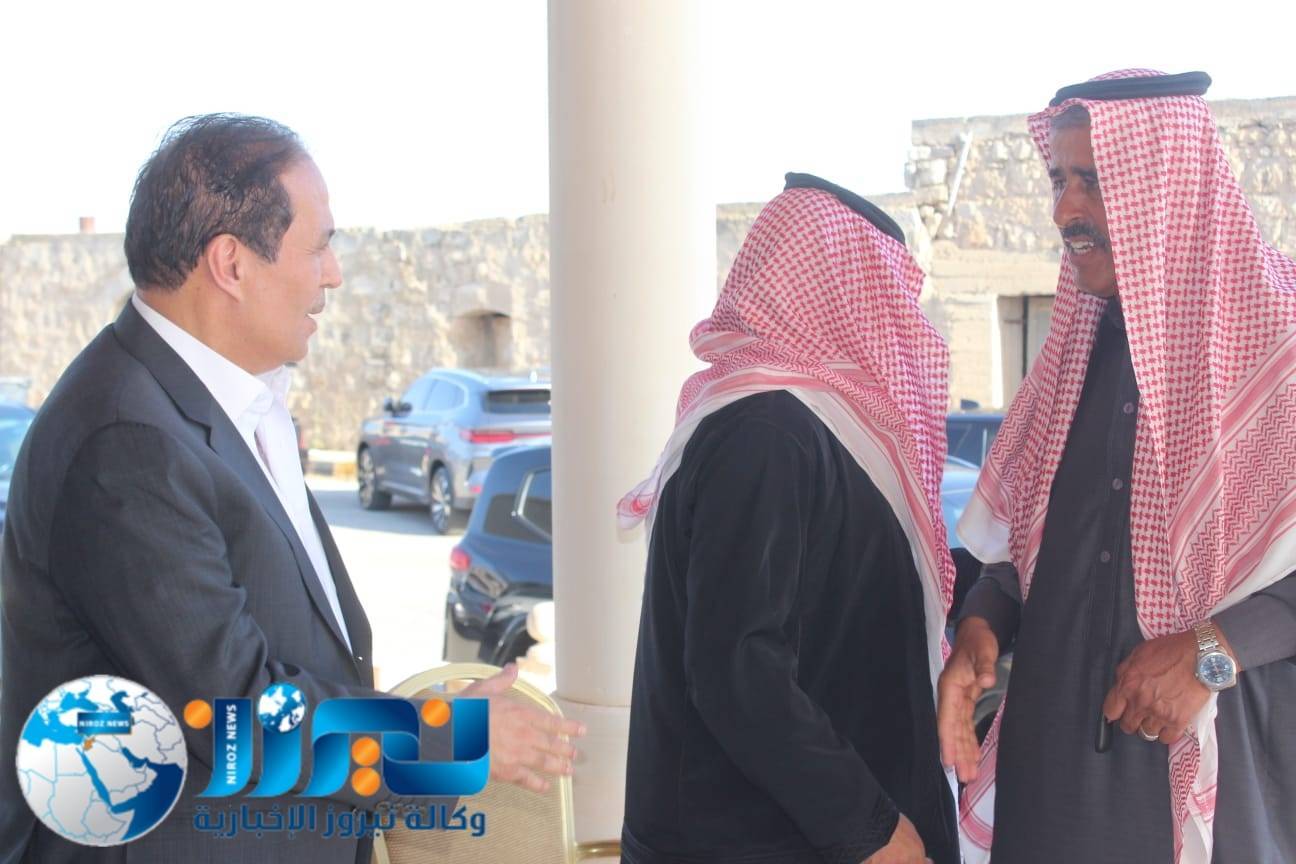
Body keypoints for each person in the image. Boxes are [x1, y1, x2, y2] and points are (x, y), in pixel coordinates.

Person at [0, 114, 583, 864]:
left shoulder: (205, 403)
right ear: (231, 264)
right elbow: (230, 711)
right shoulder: (128, 441)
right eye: (318, 247)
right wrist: (448, 738)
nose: (332, 274)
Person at [939, 71, 1296, 864]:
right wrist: (980, 627)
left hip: (1219, 799)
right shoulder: (1070, 361)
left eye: (1093, 182)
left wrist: (1214, 651)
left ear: (1164, 190)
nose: (1064, 210)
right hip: (1048, 795)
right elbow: (1025, 557)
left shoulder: (1276, 354)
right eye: (1058, 180)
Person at [619, 173, 959, 864]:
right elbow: (737, 667)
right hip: (766, 839)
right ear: (842, 291)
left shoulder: (810, 427)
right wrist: (867, 825)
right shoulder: (766, 433)